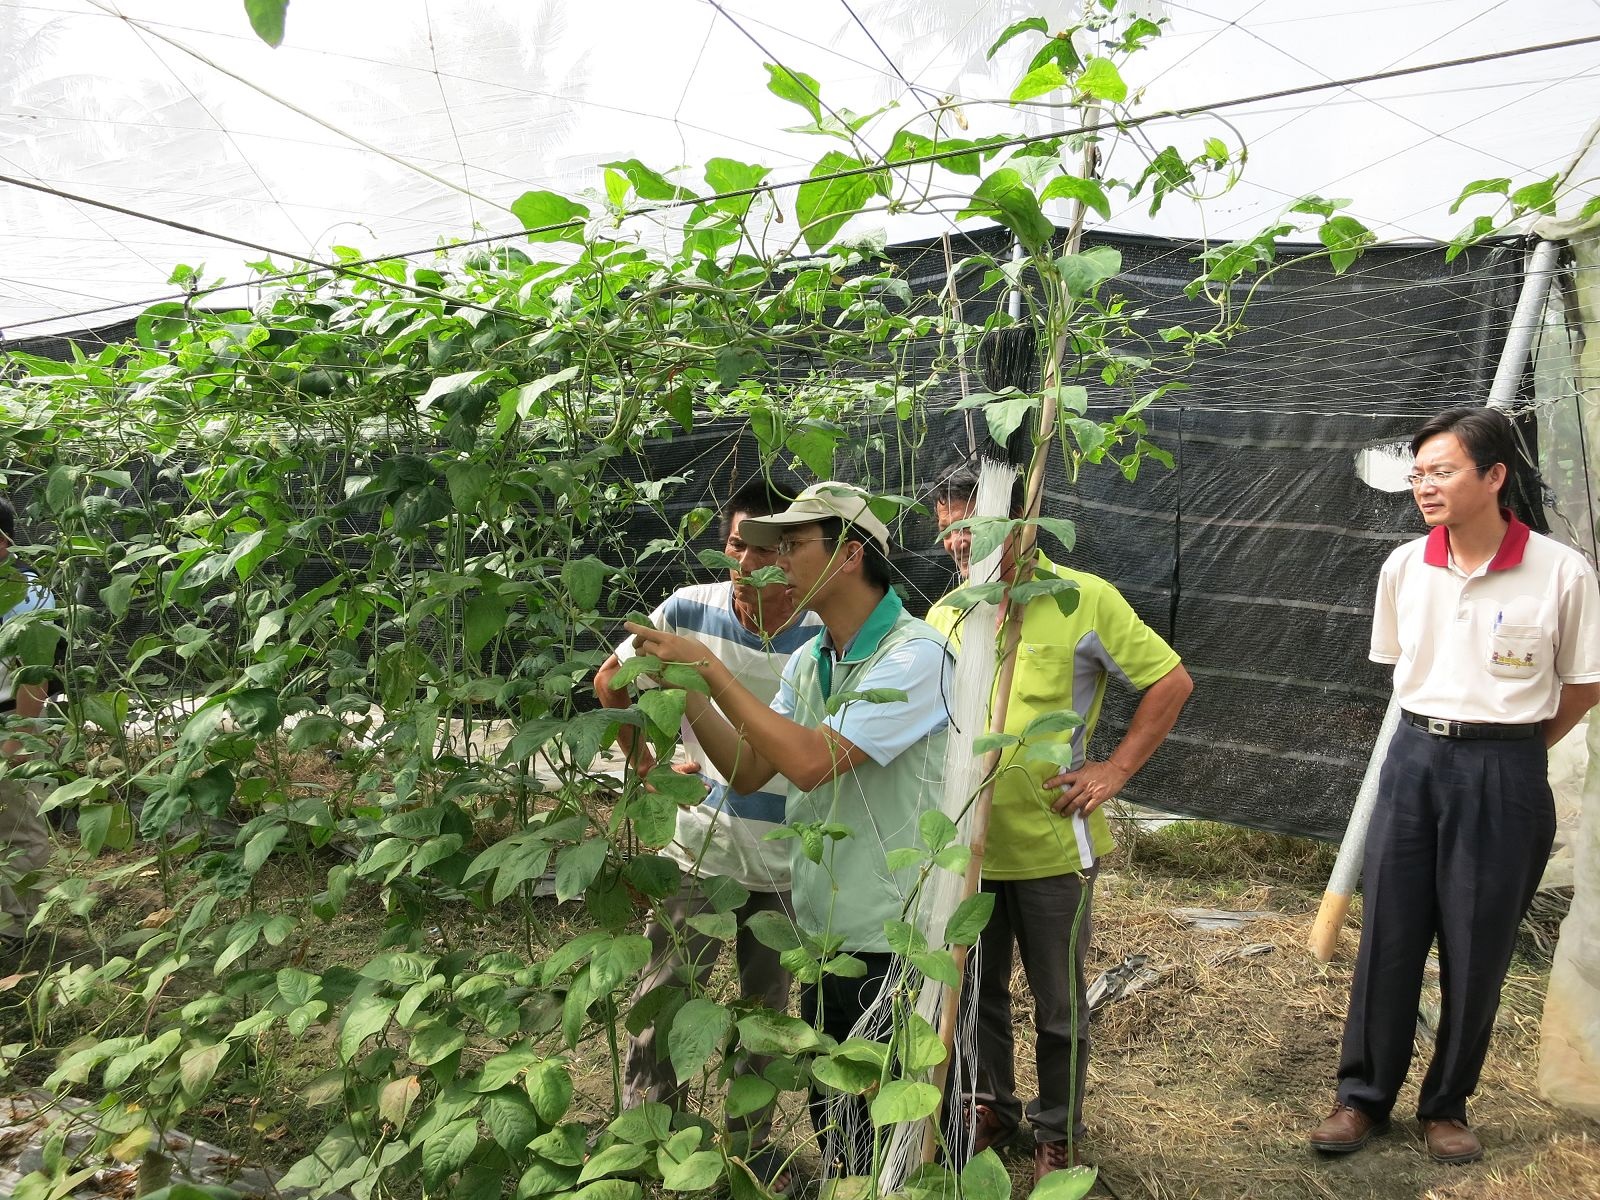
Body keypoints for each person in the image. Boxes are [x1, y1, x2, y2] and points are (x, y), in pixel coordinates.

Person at [624, 481, 952, 1175]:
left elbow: (807, 763)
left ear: (850, 557)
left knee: (896, 1128)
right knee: (839, 1124)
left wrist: (709, 666)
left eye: (791, 545)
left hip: (898, 932)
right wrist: (688, 689)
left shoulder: (913, 655)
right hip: (827, 929)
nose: (767, 561)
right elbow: (747, 770)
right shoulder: (813, 661)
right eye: (761, 544)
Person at [1309, 405, 1600, 1165]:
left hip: (1505, 769)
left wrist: (1516, 746)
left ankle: (1446, 1104)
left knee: (1478, 944)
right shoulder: (1405, 566)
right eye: (1419, 474)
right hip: (1412, 759)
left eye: (1442, 471)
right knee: (1389, 936)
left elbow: (1584, 681)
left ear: (1494, 475)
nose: (1424, 486)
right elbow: (1400, 662)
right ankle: (1362, 1098)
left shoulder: (1561, 571)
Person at [926, 465, 1193, 1182]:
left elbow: (1171, 680)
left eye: (975, 527)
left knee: (1058, 1002)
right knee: (973, 988)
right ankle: (991, 1104)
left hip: (1051, 843)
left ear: (1027, 522)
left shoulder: (1083, 599)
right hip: (969, 846)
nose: (959, 543)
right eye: (949, 527)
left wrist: (1116, 771)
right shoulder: (948, 613)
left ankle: (1059, 1128)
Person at [594, 480, 823, 1168]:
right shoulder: (687, 610)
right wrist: (645, 766)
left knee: (767, 1017)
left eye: (765, 550)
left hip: (788, 862)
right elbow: (611, 683)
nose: (747, 564)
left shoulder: (822, 633)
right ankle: (641, 1147)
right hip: (698, 852)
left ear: (794, 555)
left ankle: (745, 1157)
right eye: (734, 545)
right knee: (665, 1001)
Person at [0, 496, 56, 943]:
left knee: (17, 825)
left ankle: (20, 927)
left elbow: (34, 675)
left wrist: (19, 740)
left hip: (10, 722)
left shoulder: (27, 593)